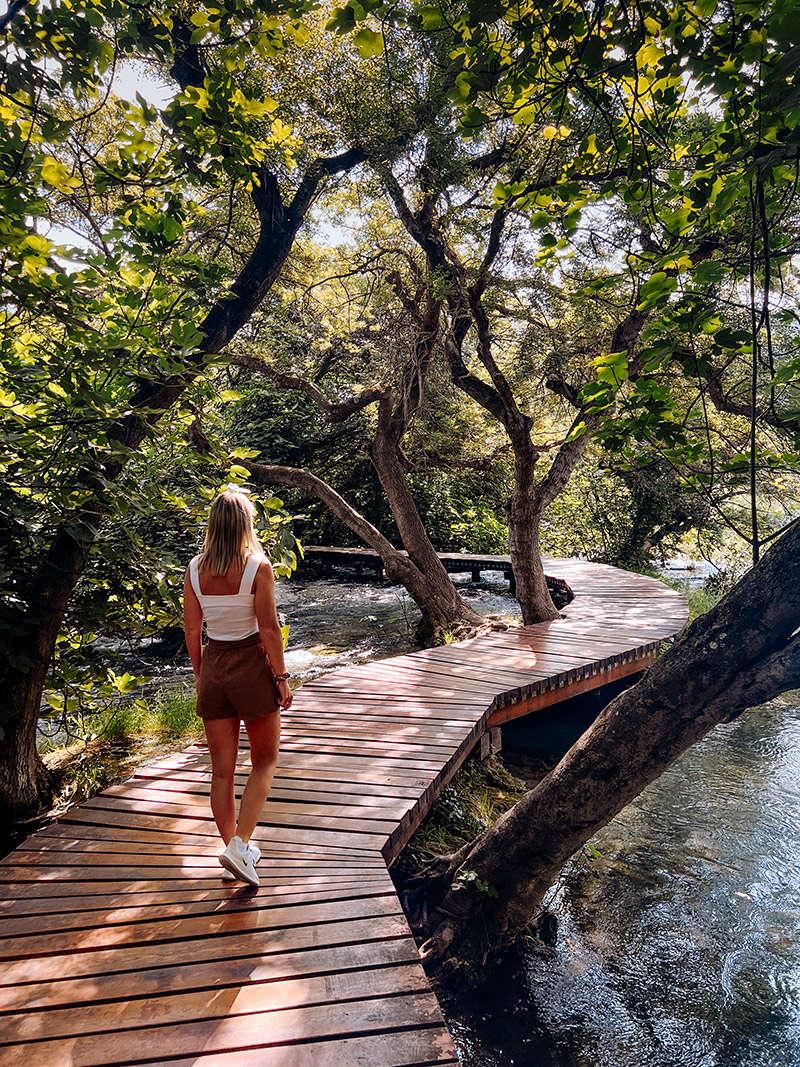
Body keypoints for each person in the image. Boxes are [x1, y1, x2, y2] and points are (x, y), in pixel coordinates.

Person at [183, 488, 292, 886]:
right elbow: (268, 629)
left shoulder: (194, 569)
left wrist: (201, 672)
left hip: (214, 665)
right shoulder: (258, 567)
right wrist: (281, 679)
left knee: (221, 774)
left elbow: (193, 628)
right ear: (245, 524)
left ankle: (234, 849)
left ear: (213, 526)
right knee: (264, 762)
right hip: (250, 666)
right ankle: (239, 846)